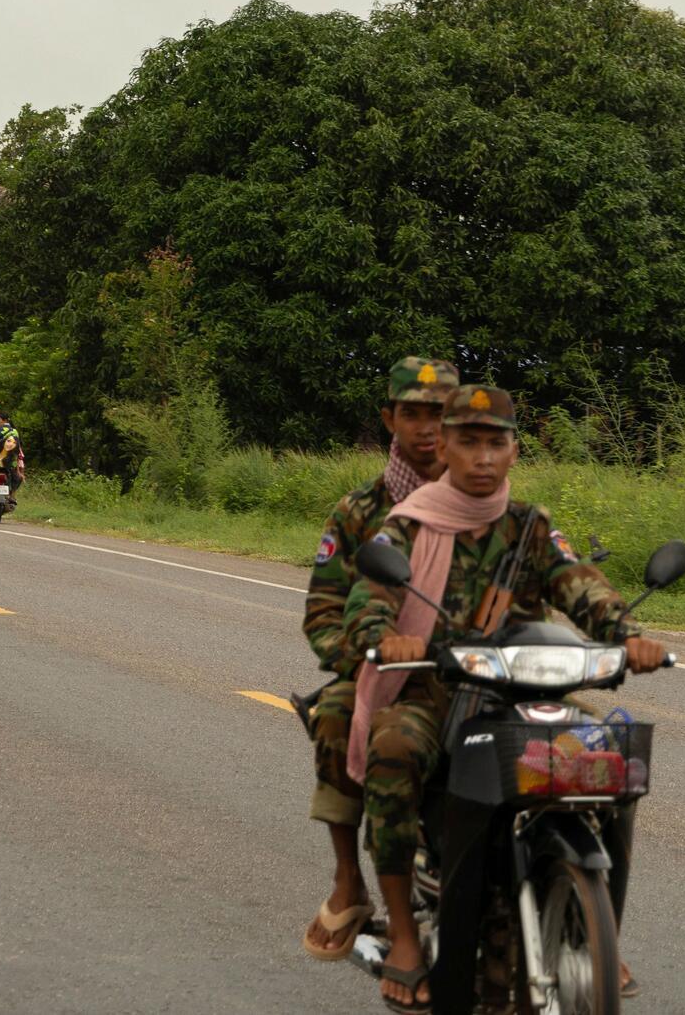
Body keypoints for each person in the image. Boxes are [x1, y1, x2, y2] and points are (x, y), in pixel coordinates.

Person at [343, 385, 665, 1013]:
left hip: (523, 691)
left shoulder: (531, 526)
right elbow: (368, 605)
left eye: (497, 442)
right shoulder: (409, 522)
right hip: (435, 690)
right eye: (469, 442)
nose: (483, 457)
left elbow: (582, 586)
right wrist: (387, 638)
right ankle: (405, 935)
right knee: (393, 748)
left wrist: (629, 636)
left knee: (610, 756)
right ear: (448, 446)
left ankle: (594, 928)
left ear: (515, 451)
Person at [298, 357, 457, 963]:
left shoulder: (489, 501)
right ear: (390, 419)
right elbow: (324, 608)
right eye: (412, 414)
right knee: (338, 713)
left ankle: (587, 912)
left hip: (475, 674)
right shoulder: (359, 513)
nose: (426, 429)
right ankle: (349, 880)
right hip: (384, 676)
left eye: (440, 414)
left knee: (590, 742)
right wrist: (364, 658)